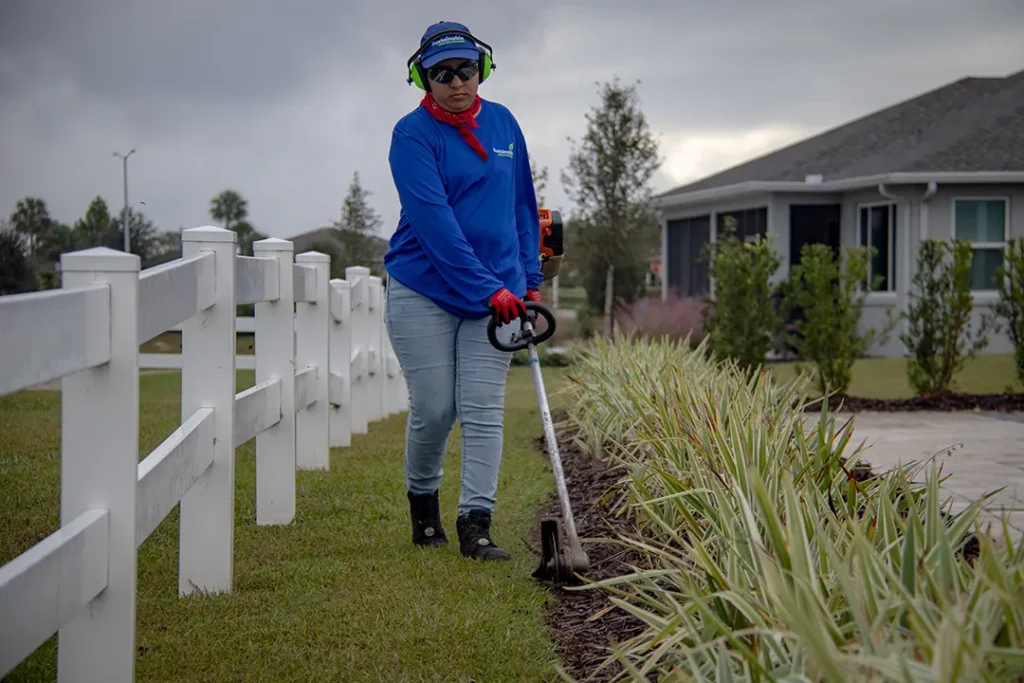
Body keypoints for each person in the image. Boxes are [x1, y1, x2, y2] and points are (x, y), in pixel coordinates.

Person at [383, 20, 543, 561]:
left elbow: (522, 210)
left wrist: (529, 284)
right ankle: (423, 503)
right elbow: (436, 227)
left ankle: (476, 523)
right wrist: (490, 289)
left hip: (498, 293)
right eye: (442, 73)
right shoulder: (412, 135)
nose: (456, 82)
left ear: (483, 70)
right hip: (423, 288)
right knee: (435, 408)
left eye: (466, 70)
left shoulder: (504, 125)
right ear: (423, 78)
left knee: (482, 409)